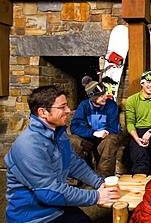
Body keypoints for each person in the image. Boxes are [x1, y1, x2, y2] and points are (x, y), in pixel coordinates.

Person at [4, 85, 120, 223]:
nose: (68, 111)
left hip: (57, 206)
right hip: (33, 216)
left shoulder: (59, 135)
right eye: (62, 107)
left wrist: (100, 183)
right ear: (43, 113)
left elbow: (75, 164)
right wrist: (96, 196)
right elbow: (49, 192)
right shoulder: (28, 145)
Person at [70, 76, 123, 178]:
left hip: (108, 135)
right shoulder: (84, 106)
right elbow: (74, 127)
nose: (105, 97)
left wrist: (101, 134)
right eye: (101, 96)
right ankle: (77, 179)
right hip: (92, 136)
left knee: (110, 141)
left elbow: (113, 127)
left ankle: (102, 180)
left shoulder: (111, 105)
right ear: (92, 97)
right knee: (74, 140)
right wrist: (93, 133)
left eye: (104, 94)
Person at [125, 70, 151, 174]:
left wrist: (149, 133)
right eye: (148, 82)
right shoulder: (132, 100)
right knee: (139, 153)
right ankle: (141, 176)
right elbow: (130, 123)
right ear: (142, 83)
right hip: (137, 130)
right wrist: (137, 138)